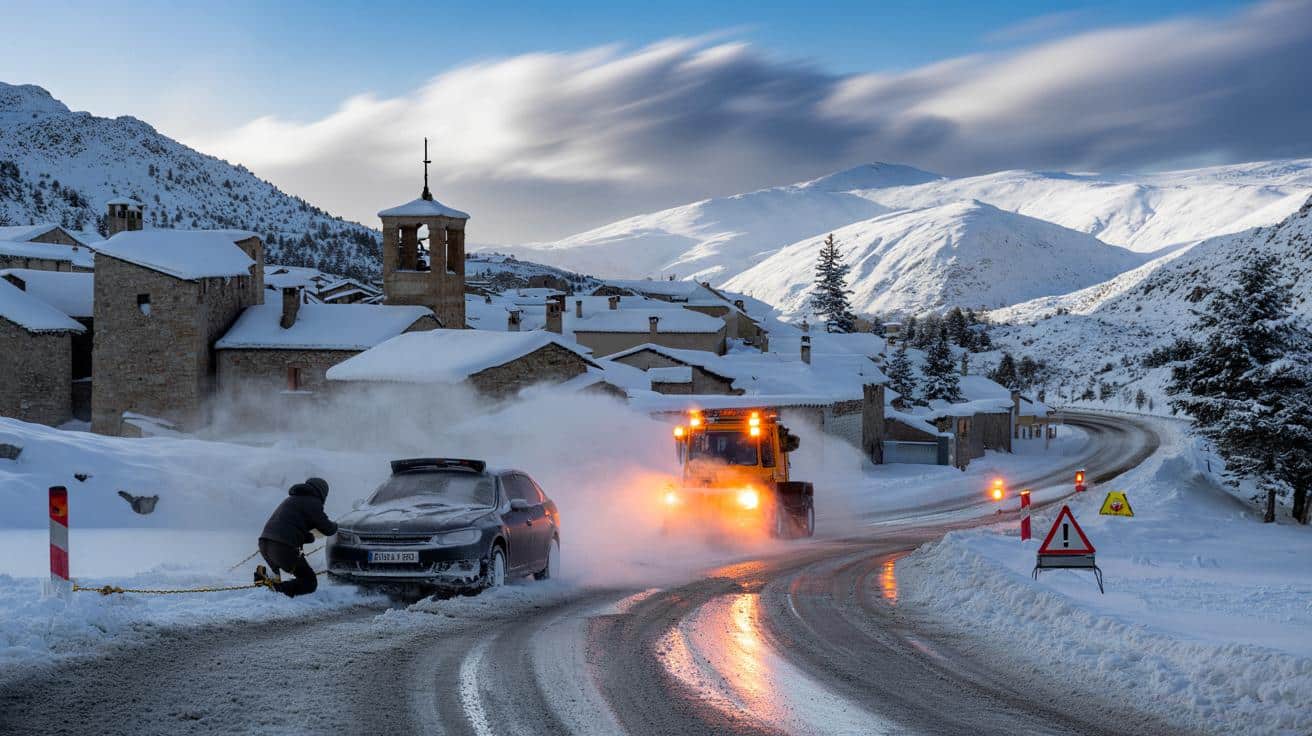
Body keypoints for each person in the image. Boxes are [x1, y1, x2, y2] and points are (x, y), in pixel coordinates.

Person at [255, 477, 337, 597]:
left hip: (265, 544)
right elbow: (328, 529)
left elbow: (290, 526)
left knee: (283, 574)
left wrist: (308, 537)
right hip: (282, 547)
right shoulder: (313, 502)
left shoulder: (291, 499)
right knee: (309, 582)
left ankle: (266, 582)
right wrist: (337, 525)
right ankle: (276, 590)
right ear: (322, 492)